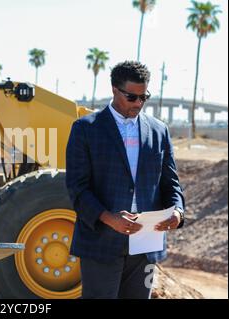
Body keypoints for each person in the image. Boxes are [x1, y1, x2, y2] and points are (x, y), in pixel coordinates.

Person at [65, 61, 185, 299]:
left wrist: (178, 212)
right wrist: (109, 218)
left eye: (144, 97)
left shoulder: (159, 130)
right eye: (132, 97)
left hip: (146, 245)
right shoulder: (85, 129)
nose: (139, 103)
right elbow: (77, 188)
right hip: (101, 243)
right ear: (114, 90)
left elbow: (171, 183)